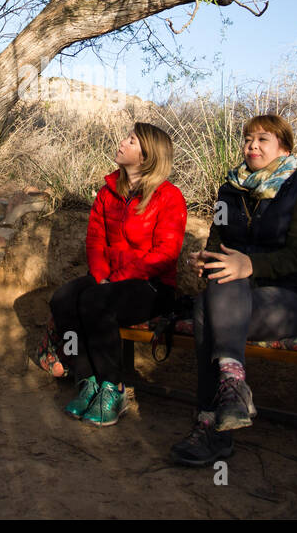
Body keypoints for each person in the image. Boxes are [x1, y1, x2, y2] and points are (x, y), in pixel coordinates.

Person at [169, 114, 297, 465]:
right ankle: (231, 391)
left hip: (296, 299)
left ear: (284, 147)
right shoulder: (229, 190)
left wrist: (250, 264)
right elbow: (219, 241)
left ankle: (210, 424)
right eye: (247, 139)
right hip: (236, 298)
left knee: (208, 309)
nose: (252, 146)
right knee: (209, 301)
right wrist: (205, 259)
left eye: (263, 139)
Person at [36, 122, 187, 427]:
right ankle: (87, 379)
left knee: (96, 301)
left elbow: (165, 254)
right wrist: (102, 274)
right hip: (109, 278)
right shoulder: (108, 193)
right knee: (63, 298)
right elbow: (95, 241)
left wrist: (115, 279)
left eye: (131, 140)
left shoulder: (169, 197)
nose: (122, 142)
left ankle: (112, 388)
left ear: (146, 156)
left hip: (152, 286)